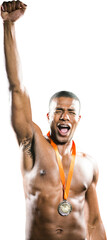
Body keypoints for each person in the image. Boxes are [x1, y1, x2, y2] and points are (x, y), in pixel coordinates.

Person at [1, 1, 106, 240]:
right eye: (58, 111)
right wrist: (8, 26)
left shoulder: (90, 165)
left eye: (71, 112)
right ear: (49, 117)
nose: (64, 116)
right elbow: (17, 88)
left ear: (78, 119)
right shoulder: (33, 144)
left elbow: (94, 222)